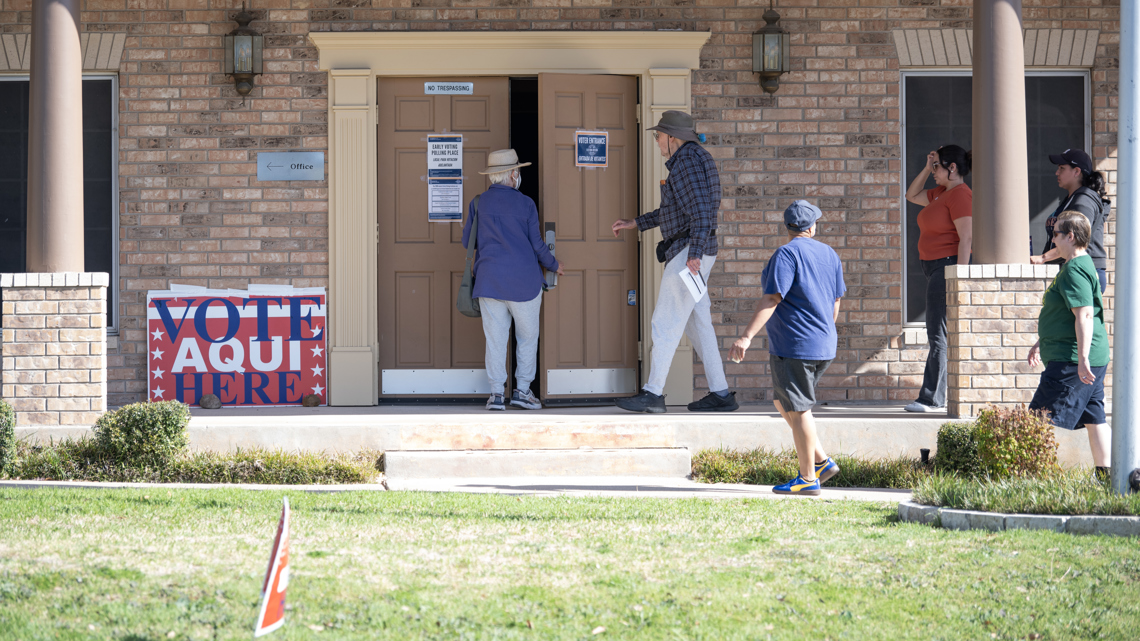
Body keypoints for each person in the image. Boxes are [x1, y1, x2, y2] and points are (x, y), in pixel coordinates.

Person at [611, 110, 737, 413]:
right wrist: (636, 223)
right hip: (694, 249)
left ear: (672, 137)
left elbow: (703, 211)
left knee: (664, 321)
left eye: (658, 136)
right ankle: (720, 393)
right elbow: (676, 211)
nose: (657, 142)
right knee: (698, 324)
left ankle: (652, 394)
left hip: (688, 252)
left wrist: (694, 253)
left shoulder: (688, 162)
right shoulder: (691, 159)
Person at [728, 201, 845, 496]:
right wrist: (825, 331)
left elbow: (771, 299)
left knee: (800, 408)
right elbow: (836, 300)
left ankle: (807, 479)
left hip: (795, 345)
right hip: (822, 344)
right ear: (812, 227)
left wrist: (746, 337)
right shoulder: (829, 254)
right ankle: (821, 462)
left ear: (787, 227)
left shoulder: (786, 253)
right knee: (784, 402)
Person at [462, 149, 563, 411]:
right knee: (527, 338)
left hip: (489, 282)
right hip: (524, 284)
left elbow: (467, 242)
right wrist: (554, 265)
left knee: (495, 340)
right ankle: (522, 392)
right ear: (513, 174)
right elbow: (538, 245)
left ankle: (496, 395)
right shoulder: (526, 203)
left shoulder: (478, 203)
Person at [1028, 211, 1111, 477]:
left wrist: (1082, 359)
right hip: (1085, 357)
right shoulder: (1080, 265)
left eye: (1055, 235)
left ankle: (1026, 479)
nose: (1052, 241)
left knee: (1037, 421)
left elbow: (1085, 314)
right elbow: (1065, 314)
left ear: (1070, 236)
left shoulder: (1075, 269)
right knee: (1094, 419)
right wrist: (1041, 342)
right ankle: (1107, 478)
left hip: (1072, 361)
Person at [903, 144, 973, 413]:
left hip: (947, 267)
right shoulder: (940, 194)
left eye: (937, 167)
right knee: (937, 331)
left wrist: (960, 277)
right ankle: (935, 397)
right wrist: (925, 166)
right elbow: (911, 195)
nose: (933, 172)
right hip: (934, 268)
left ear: (952, 168)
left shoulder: (960, 195)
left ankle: (931, 398)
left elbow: (966, 237)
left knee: (937, 332)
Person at [1030, 148, 1111, 293]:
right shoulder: (1072, 199)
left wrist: (1042, 258)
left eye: (1062, 168)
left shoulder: (1084, 200)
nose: (1057, 173)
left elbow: (1075, 240)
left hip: (1084, 272)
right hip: (1074, 270)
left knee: (1081, 316)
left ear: (1076, 171)